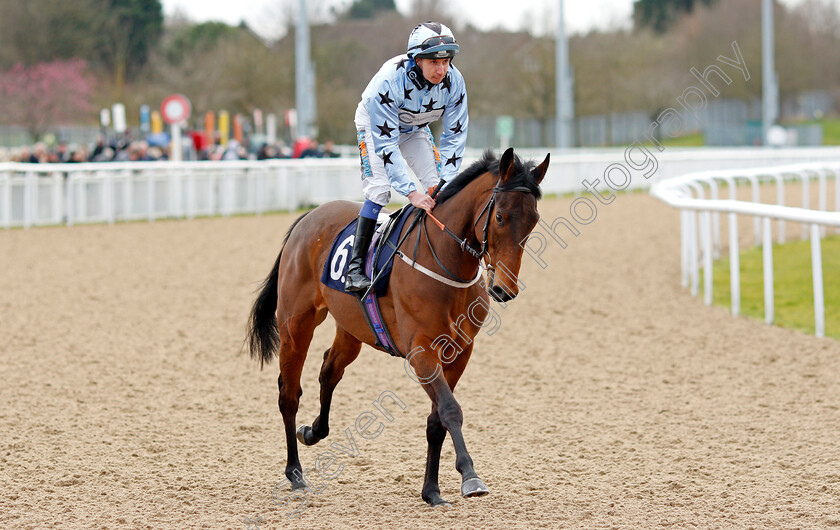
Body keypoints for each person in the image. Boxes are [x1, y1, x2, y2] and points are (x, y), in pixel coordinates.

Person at [344, 21, 469, 293]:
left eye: (447, 61)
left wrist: (445, 180)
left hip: (414, 128)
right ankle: (354, 268)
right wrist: (411, 192)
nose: (442, 69)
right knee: (379, 191)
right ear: (417, 59)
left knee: (439, 187)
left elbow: (454, 136)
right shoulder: (388, 81)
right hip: (376, 127)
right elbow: (386, 145)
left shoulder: (455, 82)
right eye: (434, 63)